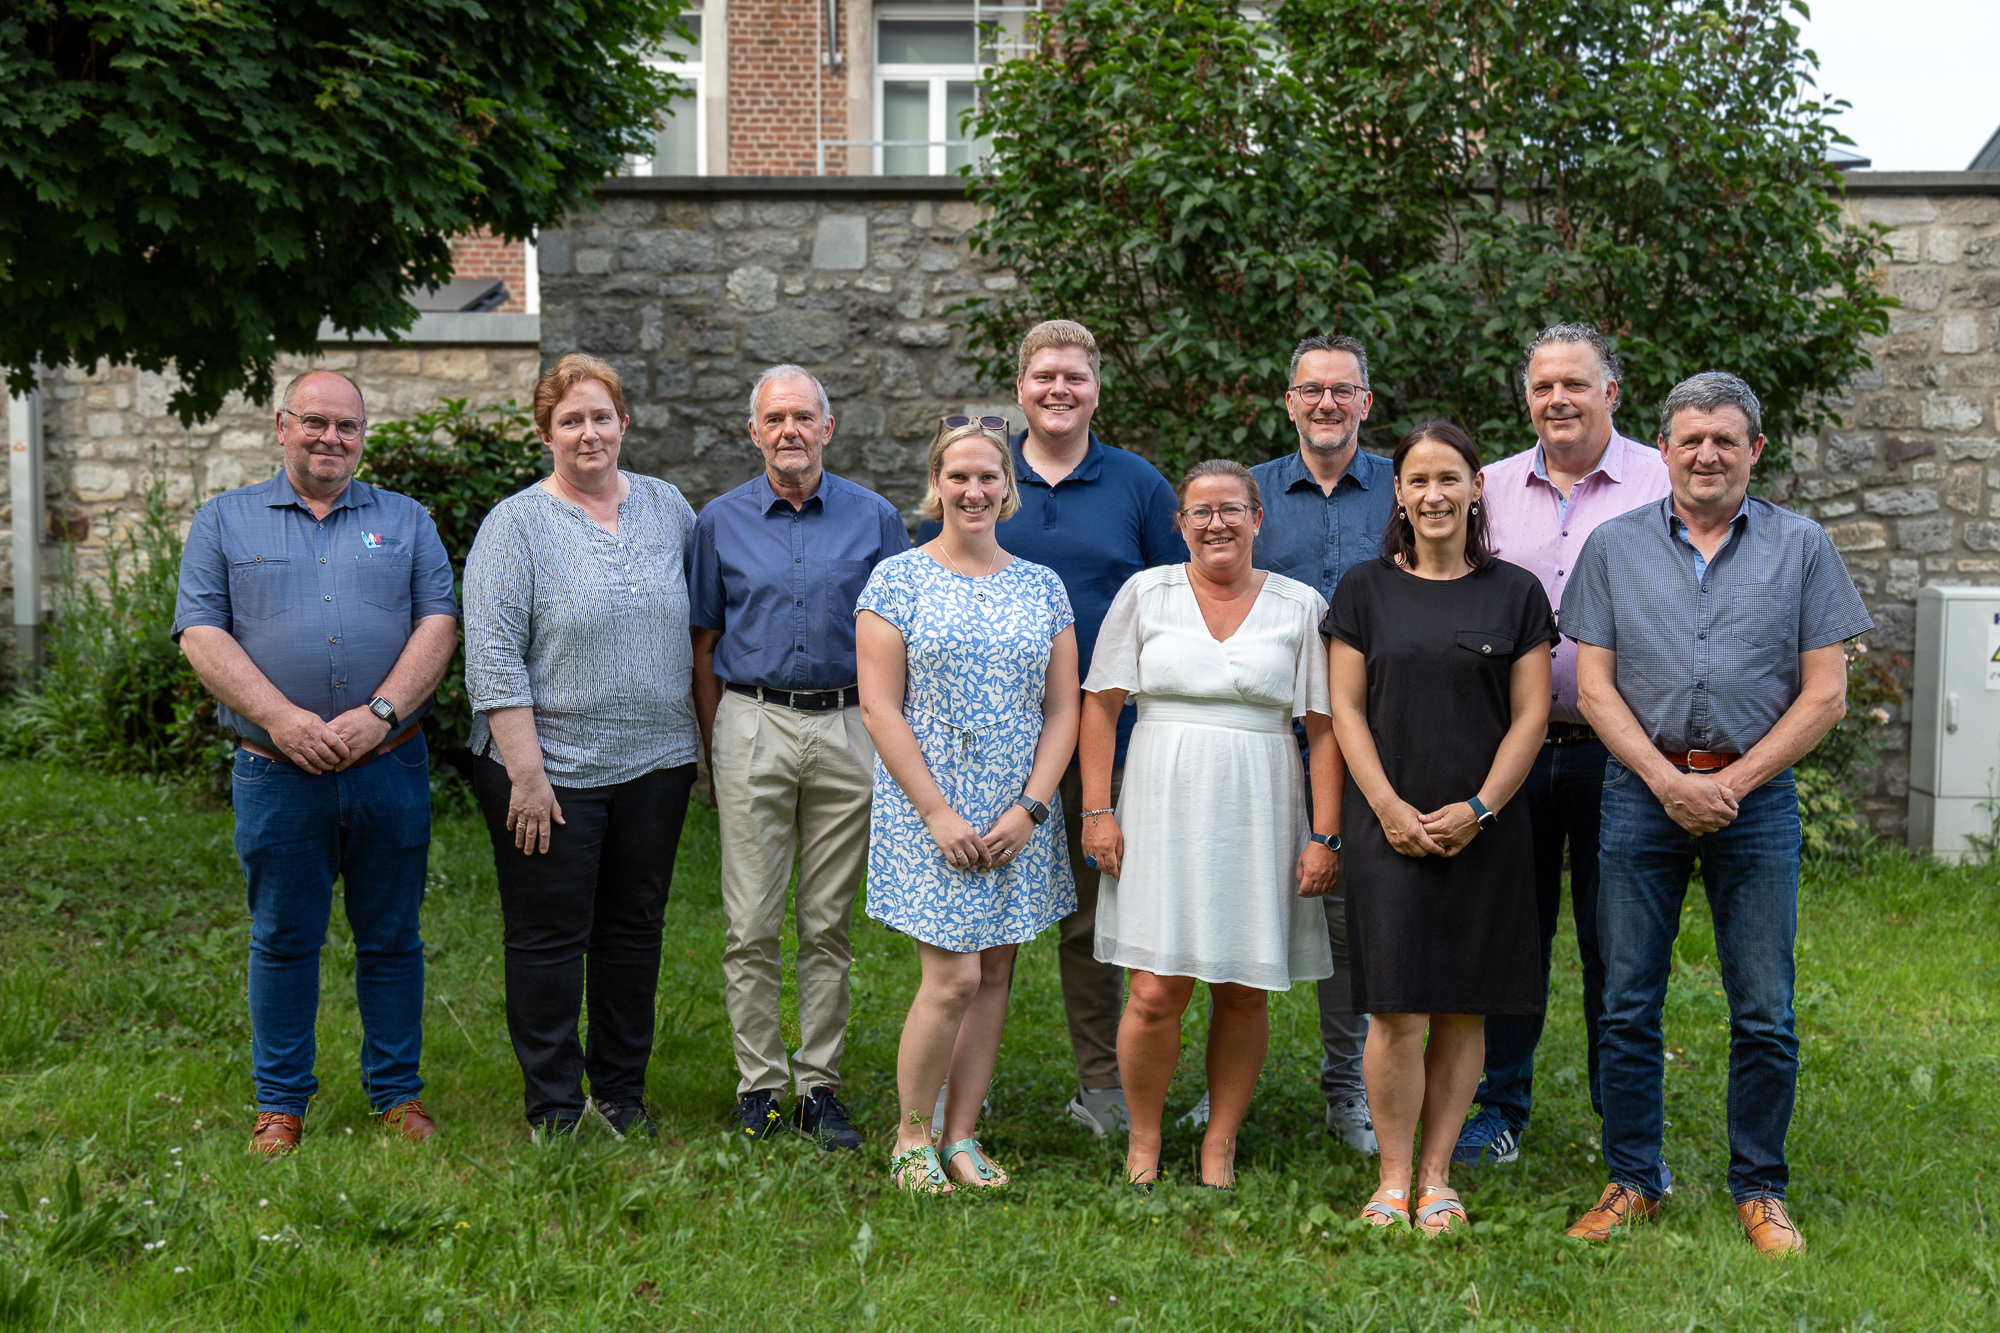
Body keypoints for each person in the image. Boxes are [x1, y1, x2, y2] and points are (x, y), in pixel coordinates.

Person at [1562, 372, 1870, 1257]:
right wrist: (1668, 781)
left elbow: (1825, 696)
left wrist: (1733, 782)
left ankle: (1760, 1189)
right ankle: (1632, 1179)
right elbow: (1594, 687)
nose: (1706, 454)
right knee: (1625, 1000)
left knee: (1765, 1007)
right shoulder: (1615, 547)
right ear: (1661, 449)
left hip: (1759, 799)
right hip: (1639, 796)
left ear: (1755, 451)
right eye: (1690, 439)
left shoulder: (1802, 546)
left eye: (1725, 440)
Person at [173, 369, 458, 1156]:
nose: (331, 438)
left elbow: (438, 623)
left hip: (388, 764)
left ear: (364, 435)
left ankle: (397, 1094)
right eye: (315, 423)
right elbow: (201, 632)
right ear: (282, 425)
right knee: (283, 936)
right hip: (275, 768)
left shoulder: (407, 522)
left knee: (392, 936)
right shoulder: (224, 521)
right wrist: (284, 719)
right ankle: (280, 1103)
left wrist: (379, 716)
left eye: (347, 427)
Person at [915, 319, 1184, 1137]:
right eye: (1043, 378)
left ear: (1097, 386)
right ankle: (960, 1078)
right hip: (986, 741)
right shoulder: (986, 477)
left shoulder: (1137, 484)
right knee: (971, 915)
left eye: (1075, 376)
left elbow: (1170, 600)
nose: (1059, 390)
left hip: (1107, 735)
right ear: (1020, 387)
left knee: (1093, 914)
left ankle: (1101, 1084)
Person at [462, 353, 700, 1142]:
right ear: (544, 434)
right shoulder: (515, 526)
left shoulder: (670, 509)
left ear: (624, 424)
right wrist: (526, 776)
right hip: (548, 770)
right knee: (549, 936)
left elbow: (702, 628)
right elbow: (493, 656)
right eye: (570, 420)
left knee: (633, 931)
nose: (588, 432)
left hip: (658, 762)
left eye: (601, 417)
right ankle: (556, 1106)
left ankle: (622, 1095)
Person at [1082, 461, 1338, 1190]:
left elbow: (1323, 728)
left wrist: (1325, 834)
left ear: (1259, 518)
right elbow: (1101, 704)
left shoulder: (1300, 605)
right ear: (1181, 523)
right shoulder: (1146, 593)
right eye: (1200, 511)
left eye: (1231, 509)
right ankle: (1144, 1136)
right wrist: (1097, 809)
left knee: (1241, 984)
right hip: (1160, 798)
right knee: (1155, 987)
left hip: (1259, 802)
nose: (1216, 523)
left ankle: (1218, 1141)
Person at [1324, 421, 1554, 1234]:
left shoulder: (1517, 592)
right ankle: (1391, 1179)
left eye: (1449, 478)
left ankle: (1437, 1176)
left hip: (1486, 828)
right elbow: (1345, 709)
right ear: (1399, 492)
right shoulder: (1363, 590)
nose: (1434, 494)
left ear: (1476, 487)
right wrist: (1386, 807)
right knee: (1396, 1009)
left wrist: (1482, 808)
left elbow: (1531, 717)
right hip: (1387, 824)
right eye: (1418, 480)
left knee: (1463, 1007)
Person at [1455, 324, 1673, 1168]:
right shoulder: (1492, 488)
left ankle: (1620, 1116)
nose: (1557, 400)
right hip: (1512, 749)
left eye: (1575, 385)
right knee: (1514, 930)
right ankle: (1500, 1103)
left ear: (1611, 393)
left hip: (1623, 752)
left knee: (1617, 938)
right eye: (1543, 386)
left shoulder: (1661, 482)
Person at [690, 364, 910, 1150]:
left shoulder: (877, 518)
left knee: (826, 920)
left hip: (849, 722)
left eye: (802, 417)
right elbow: (704, 640)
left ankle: (819, 1085)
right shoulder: (718, 521)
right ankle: (760, 1087)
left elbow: (895, 638)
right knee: (749, 921)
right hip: (751, 718)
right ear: (754, 432)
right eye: (774, 418)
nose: (789, 431)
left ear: (828, 427)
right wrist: (717, 746)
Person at [857, 420, 1080, 1193]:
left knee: (993, 973)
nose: (974, 490)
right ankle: (910, 1136)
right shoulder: (897, 579)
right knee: (950, 978)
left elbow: (1062, 711)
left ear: (1008, 487)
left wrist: (1031, 808)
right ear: (937, 484)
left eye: (989, 476)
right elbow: (881, 708)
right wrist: (937, 813)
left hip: (1014, 810)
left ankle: (961, 1133)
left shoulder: (1041, 587)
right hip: (933, 803)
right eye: (959, 477)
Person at [1246, 333, 1393, 1155]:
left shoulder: (1401, 494)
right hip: (1267, 735)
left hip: (1377, 738)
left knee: (1348, 923)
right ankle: (1226, 1083)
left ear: (1365, 403)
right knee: (1242, 906)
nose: (1327, 403)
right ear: (1290, 400)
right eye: (1311, 390)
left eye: (1343, 390)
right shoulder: (1253, 493)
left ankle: (1347, 1089)